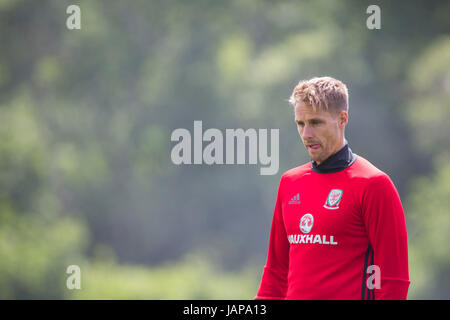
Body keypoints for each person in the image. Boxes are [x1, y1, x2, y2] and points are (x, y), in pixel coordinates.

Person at [255, 76, 410, 300]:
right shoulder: (290, 183)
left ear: (342, 119)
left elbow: (394, 281)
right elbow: (275, 276)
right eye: (301, 123)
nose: (306, 134)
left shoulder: (374, 184)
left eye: (316, 122)